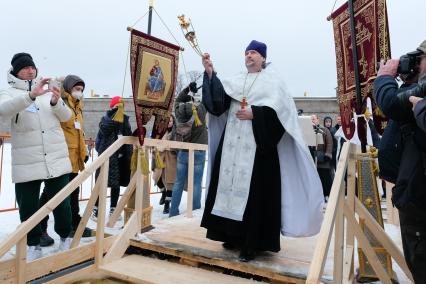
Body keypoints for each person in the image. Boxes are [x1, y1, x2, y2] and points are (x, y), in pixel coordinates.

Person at [200, 40, 323, 262]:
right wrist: (210, 73)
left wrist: (256, 114)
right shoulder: (236, 80)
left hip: (258, 151)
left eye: (254, 52)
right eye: (246, 52)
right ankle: (232, 235)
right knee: (227, 189)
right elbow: (217, 104)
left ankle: (252, 243)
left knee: (255, 197)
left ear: (263, 58)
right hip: (231, 150)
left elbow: (283, 117)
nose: (249, 56)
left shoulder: (274, 83)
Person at [0, 53, 73, 260]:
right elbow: (3, 110)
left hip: (56, 158)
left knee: (62, 203)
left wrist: (56, 101)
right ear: (16, 72)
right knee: (28, 206)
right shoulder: (8, 91)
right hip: (27, 161)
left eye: (32, 67)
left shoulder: (48, 90)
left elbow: (67, 117)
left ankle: (65, 238)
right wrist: (30, 96)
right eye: (25, 68)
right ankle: (33, 244)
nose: (30, 71)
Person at [374, 40, 426, 283]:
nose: (415, 64)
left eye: (420, 59)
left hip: (419, 195)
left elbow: (392, 104)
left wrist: (384, 77)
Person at [39, 75, 92, 245]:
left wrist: (83, 151)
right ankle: (39, 228)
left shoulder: (78, 107)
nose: (80, 92)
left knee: (74, 193)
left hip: (74, 158)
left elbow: (78, 133)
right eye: (77, 88)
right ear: (68, 88)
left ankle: (73, 224)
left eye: (82, 89)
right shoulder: (60, 104)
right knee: (50, 195)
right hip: (60, 157)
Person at [169, 82, 208, 217]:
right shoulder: (200, 112)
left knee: (178, 182)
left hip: (183, 152)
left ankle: (173, 211)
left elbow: (178, 99)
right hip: (198, 151)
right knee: (196, 182)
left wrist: (187, 89)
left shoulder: (178, 111)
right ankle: (195, 210)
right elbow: (207, 99)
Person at [91, 96, 132, 221]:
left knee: (116, 184)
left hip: (119, 158)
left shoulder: (125, 120)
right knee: (100, 183)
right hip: (106, 156)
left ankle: (113, 209)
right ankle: (95, 209)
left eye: (121, 106)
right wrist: (114, 116)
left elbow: (128, 135)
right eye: (117, 106)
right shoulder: (106, 118)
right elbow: (104, 130)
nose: (119, 109)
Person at [152, 115, 177, 214]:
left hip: (171, 158)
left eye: (171, 121)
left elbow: (176, 145)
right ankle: (163, 192)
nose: (169, 123)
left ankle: (167, 205)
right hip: (160, 157)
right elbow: (156, 143)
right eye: (167, 121)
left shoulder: (175, 132)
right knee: (156, 177)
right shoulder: (160, 131)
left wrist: (167, 146)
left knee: (170, 182)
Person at [312, 114, 333, 201]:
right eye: (311, 119)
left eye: (314, 119)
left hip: (323, 158)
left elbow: (329, 143)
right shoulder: (308, 130)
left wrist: (327, 155)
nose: (312, 121)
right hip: (313, 158)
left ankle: (327, 195)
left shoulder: (324, 130)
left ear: (318, 120)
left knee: (325, 178)